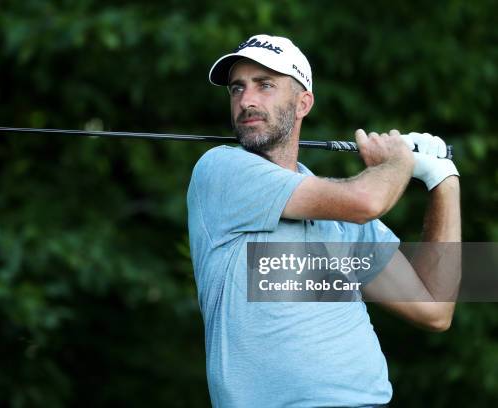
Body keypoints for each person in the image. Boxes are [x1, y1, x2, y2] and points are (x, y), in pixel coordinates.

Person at [186, 34, 461, 407]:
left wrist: (443, 179)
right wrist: (400, 162)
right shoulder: (221, 170)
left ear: (303, 103)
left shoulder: (341, 220)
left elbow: (435, 310)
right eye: (237, 88)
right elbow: (368, 200)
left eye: (265, 85)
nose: (246, 100)